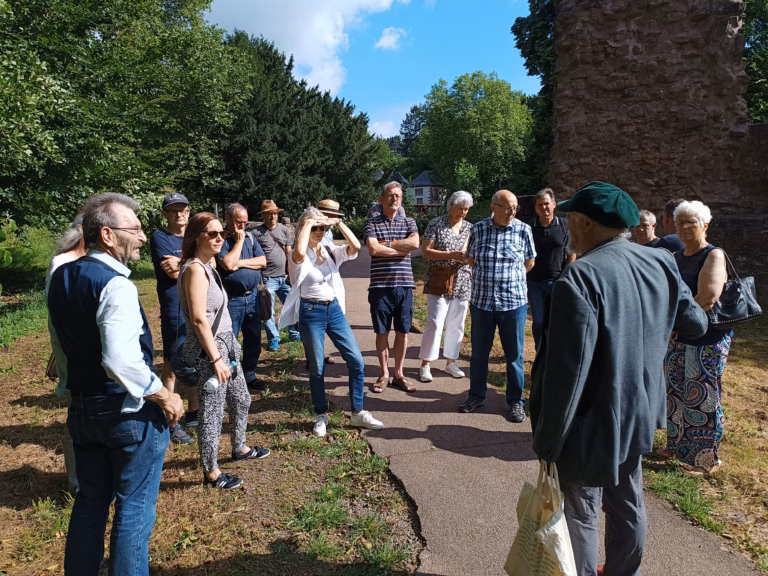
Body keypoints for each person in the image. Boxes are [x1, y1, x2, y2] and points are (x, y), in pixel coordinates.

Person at [529, 181, 708, 576]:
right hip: (639, 409)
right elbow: (696, 323)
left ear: (587, 224)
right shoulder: (659, 261)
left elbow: (567, 374)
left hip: (591, 419)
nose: (567, 225)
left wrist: (547, 438)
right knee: (628, 501)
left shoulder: (578, 279)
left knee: (581, 509)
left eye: (570, 218)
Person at [47, 193, 185, 576]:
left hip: (83, 408)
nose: (142, 237)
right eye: (135, 230)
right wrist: (165, 396)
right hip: (126, 413)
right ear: (107, 235)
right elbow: (120, 359)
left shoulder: (60, 276)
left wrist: (68, 386)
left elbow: (58, 341)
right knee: (134, 508)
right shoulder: (116, 285)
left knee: (90, 502)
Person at [179, 212, 270, 489]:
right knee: (212, 413)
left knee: (242, 399)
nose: (220, 238)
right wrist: (216, 358)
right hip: (212, 350)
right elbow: (198, 319)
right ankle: (211, 472)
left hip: (226, 344)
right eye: (212, 233)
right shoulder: (195, 268)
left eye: (221, 233)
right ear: (196, 237)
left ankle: (239, 447)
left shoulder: (209, 266)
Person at [279, 207, 384, 437]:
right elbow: (297, 254)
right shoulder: (299, 253)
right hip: (310, 310)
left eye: (322, 227)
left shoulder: (329, 249)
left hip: (333, 309)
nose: (319, 231)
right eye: (315, 227)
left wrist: (337, 224)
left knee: (356, 361)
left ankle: (357, 411)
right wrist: (307, 223)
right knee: (317, 367)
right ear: (304, 228)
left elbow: (356, 247)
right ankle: (321, 414)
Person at [658, 200, 732, 476]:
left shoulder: (713, 255)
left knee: (703, 395)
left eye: (691, 222)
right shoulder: (677, 257)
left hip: (707, 338)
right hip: (679, 336)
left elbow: (707, 298)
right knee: (676, 391)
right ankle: (677, 446)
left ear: (705, 224)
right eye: (680, 223)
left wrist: (674, 323)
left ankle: (706, 460)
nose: (685, 227)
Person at [459, 189, 535, 423]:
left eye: (515, 208)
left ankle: (515, 402)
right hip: (482, 303)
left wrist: (511, 280)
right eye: (507, 207)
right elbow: (471, 259)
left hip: (513, 303)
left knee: (514, 356)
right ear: (493, 207)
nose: (512, 212)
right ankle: (476, 396)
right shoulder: (478, 229)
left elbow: (530, 262)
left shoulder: (524, 230)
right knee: (479, 354)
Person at [149, 192, 198, 442]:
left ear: (189, 211)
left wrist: (185, 263)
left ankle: (194, 411)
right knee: (171, 364)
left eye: (183, 209)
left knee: (194, 360)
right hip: (175, 308)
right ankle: (171, 422)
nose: (179, 214)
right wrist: (197, 263)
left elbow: (210, 263)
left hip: (198, 308)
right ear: (165, 214)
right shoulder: (160, 237)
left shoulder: (194, 235)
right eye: (173, 210)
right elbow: (171, 272)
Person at [364, 182, 420, 393]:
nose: (394, 199)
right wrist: (399, 247)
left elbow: (414, 245)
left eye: (397, 195)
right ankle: (384, 374)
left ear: (401, 199)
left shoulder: (409, 222)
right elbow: (372, 248)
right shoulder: (371, 223)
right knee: (382, 332)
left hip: (405, 285)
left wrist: (385, 245)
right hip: (380, 286)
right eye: (390, 195)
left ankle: (399, 374)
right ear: (382, 198)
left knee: (403, 332)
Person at [45, 214, 87, 494]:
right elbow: (57, 317)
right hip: (75, 354)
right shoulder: (61, 263)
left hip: (96, 355)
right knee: (78, 415)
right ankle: (76, 482)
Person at [418, 190, 473, 382]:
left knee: (457, 323)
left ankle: (451, 362)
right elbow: (426, 251)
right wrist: (450, 255)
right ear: (450, 206)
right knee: (435, 322)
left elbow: (472, 254)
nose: (463, 212)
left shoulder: (470, 228)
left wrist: (467, 258)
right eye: (459, 208)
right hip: (440, 278)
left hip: (463, 279)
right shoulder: (437, 224)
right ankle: (426, 364)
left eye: (466, 209)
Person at [216, 203, 267, 391]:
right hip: (232, 300)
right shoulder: (221, 239)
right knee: (230, 342)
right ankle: (232, 376)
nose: (243, 227)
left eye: (245, 223)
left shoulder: (251, 238)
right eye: (239, 222)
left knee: (253, 338)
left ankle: (249, 374)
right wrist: (238, 242)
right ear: (228, 219)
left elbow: (262, 261)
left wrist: (240, 263)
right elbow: (228, 264)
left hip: (252, 297)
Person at [526, 187, 575, 351]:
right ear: (535, 208)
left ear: (554, 204)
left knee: (556, 321)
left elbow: (571, 254)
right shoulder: (529, 228)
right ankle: (541, 354)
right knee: (538, 321)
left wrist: (564, 277)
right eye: (539, 205)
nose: (544, 208)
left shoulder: (565, 226)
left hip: (558, 281)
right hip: (534, 283)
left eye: (546, 204)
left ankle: (555, 354)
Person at [251, 199, 300, 351]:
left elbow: (289, 252)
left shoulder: (284, 230)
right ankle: (274, 338)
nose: (273, 216)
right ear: (263, 215)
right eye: (269, 214)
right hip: (267, 278)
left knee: (291, 307)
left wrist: (290, 272)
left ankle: (294, 333)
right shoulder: (256, 233)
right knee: (268, 312)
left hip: (284, 277)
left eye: (275, 213)